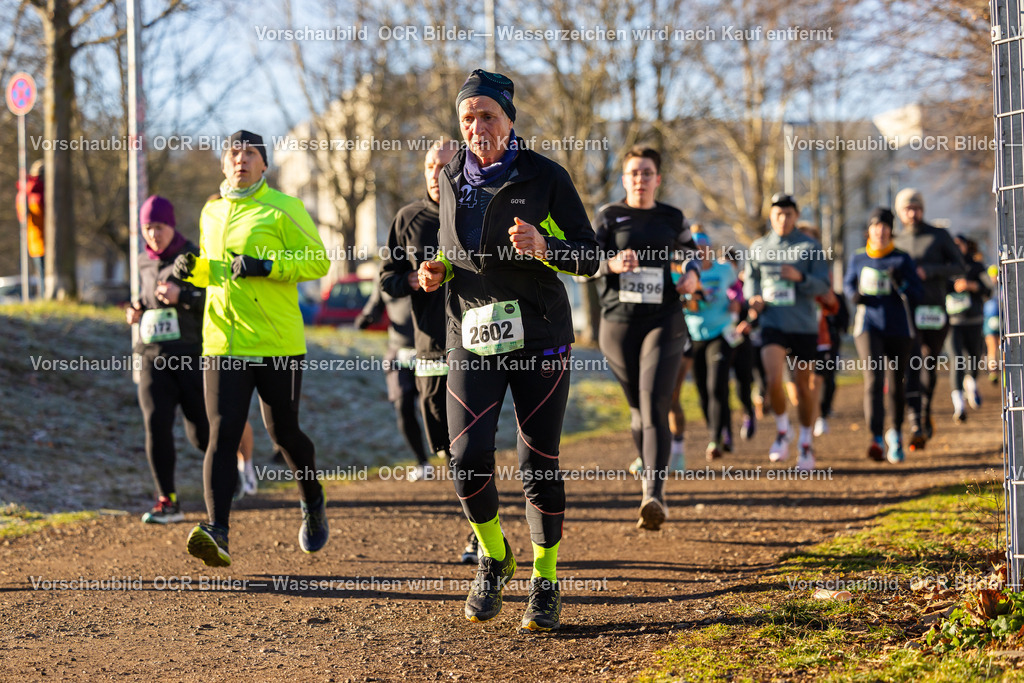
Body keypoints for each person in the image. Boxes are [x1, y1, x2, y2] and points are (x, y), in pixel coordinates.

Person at [417, 70, 599, 632]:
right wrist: (437, 270)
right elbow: (457, 252)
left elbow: (589, 257)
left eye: (487, 116)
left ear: (510, 120)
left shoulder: (544, 175)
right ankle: (496, 556)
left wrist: (547, 247)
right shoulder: (449, 178)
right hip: (471, 334)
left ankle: (545, 579)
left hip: (539, 334)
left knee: (535, 460)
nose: (476, 127)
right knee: (467, 455)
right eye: (468, 117)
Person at [175, 130, 330, 567]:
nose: (240, 158)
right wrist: (192, 270)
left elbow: (318, 261)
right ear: (224, 164)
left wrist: (268, 267)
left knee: (283, 433)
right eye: (233, 152)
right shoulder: (211, 211)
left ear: (264, 164)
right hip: (223, 342)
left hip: (277, 342)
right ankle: (217, 530)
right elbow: (215, 273)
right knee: (222, 434)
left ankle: (313, 500)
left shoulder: (284, 207)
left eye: (250, 153)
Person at [379, 139, 480, 564]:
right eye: (428, 166)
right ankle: (480, 514)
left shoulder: (477, 210)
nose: (435, 173)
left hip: (476, 344)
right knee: (442, 440)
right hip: (430, 348)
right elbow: (387, 278)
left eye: (444, 165)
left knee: (470, 445)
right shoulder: (408, 219)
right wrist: (414, 282)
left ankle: (480, 534)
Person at [594, 146, 699, 525]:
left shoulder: (672, 216)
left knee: (655, 403)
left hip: (664, 319)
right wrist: (611, 263)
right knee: (638, 409)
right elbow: (585, 264)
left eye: (647, 172)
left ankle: (653, 494)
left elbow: (691, 253)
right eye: (633, 173)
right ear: (625, 179)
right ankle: (649, 478)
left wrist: (691, 274)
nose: (640, 179)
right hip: (618, 323)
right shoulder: (609, 216)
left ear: (658, 178)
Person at [126, 196, 207, 523]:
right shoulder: (144, 261)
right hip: (153, 357)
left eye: (158, 227)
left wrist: (183, 297)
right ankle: (167, 501)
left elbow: (214, 302)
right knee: (156, 425)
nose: (153, 235)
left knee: (200, 432)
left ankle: (228, 474)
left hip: (190, 356)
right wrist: (137, 310)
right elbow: (148, 301)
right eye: (147, 228)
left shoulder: (193, 255)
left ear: (171, 225)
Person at [743, 193, 831, 471]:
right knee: (772, 380)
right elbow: (751, 281)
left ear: (796, 216)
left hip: (803, 326)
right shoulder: (758, 247)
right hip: (772, 322)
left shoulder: (810, 247)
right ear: (771, 216)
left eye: (788, 214)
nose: (783, 219)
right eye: (778, 214)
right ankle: (783, 430)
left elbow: (823, 286)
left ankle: (805, 443)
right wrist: (753, 299)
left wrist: (801, 278)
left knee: (803, 389)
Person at [844, 208, 924, 463]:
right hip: (868, 325)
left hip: (898, 327)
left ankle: (896, 434)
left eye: (885, 226)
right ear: (869, 229)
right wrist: (853, 295)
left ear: (891, 230)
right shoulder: (858, 258)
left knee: (895, 384)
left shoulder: (902, 258)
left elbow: (917, 292)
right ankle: (875, 437)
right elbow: (848, 284)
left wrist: (901, 283)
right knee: (873, 379)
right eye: (876, 225)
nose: (880, 230)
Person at [892, 188, 967, 450]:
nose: (912, 213)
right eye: (907, 209)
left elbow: (960, 266)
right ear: (899, 212)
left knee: (928, 364)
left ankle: (925, 411)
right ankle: (917, 422)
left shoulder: (938, 235)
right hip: (908, 313)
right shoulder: (896, 241)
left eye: (916, 208)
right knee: (913, 364)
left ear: (922, 209)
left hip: (935, 310)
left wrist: (931, 271)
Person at [356, 281, 434, 481]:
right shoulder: (386, 276)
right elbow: (374, 306)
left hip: (432, 350)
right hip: (399, 353)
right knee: (403, 407)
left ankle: (451, 456)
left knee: (436, 408)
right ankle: (422, 462)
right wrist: (366, 318)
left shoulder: (428, 265)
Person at [681, 232, 740, 461]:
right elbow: (679, 300)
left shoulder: (723, 269)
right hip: (695, 335)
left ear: (710, 248)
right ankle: (719, 430)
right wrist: (689, 300)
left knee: (717, 385)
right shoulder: (682, 274)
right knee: (703, 390)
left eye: (703, 246)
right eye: (694, 247)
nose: (699, 251)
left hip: (722, 333)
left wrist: (737, 301)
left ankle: (716, 438)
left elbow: (738, 287)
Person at [948, 235, 993, 422]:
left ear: (967, 246)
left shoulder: (976, 266)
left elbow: (989, 288)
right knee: (957, 360)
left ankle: (971, 383)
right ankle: (959, 405)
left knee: (973, 359)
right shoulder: (946, 268)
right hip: (952, 323)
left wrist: (972, 285)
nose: (957, 248)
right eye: (954, 245)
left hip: (974, 321)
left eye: (960, 244)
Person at [15, 159, 45, 286]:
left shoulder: (23, 193)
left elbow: (22, 218)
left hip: (34, 241)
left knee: (42, 276)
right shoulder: (41, 192)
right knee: (46, 277)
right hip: (46, 241)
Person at [984, 265, 1001, 384]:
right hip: (992, 316)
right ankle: (994, 372)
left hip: (998, 316)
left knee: (998, 346)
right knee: (993, 346)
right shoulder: (989, 287)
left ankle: (996, 372)